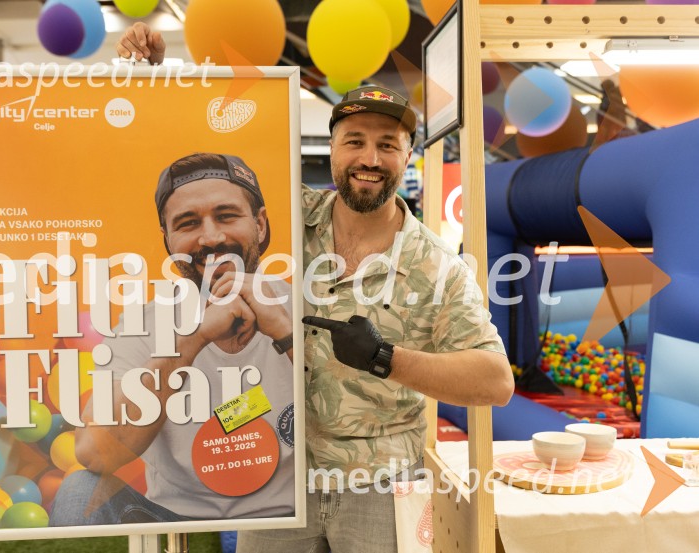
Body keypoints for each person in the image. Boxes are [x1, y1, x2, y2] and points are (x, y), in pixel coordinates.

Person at [115, 25, 514, 552]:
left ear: (407, 155)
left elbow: (495, 381)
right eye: (355, 141)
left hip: (382, 483)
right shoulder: (288, 215)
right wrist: (155, 78)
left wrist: (384, 358)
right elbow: (194, 163)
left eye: (387, 145)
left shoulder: (436, 266)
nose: (369, 158)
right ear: (331, 148)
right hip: (278, 475)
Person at [51, 153, 296, 525]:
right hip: (178, 521)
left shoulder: (305, 307)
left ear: (260, 225)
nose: (211, 237)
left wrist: (284, 331)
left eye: (227, 215)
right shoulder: (143, 323)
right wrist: (195, 337)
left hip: (294, 520)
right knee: (78, 492)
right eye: (188, 223)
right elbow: (95, 452)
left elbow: (354, 423)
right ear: (168, 240)